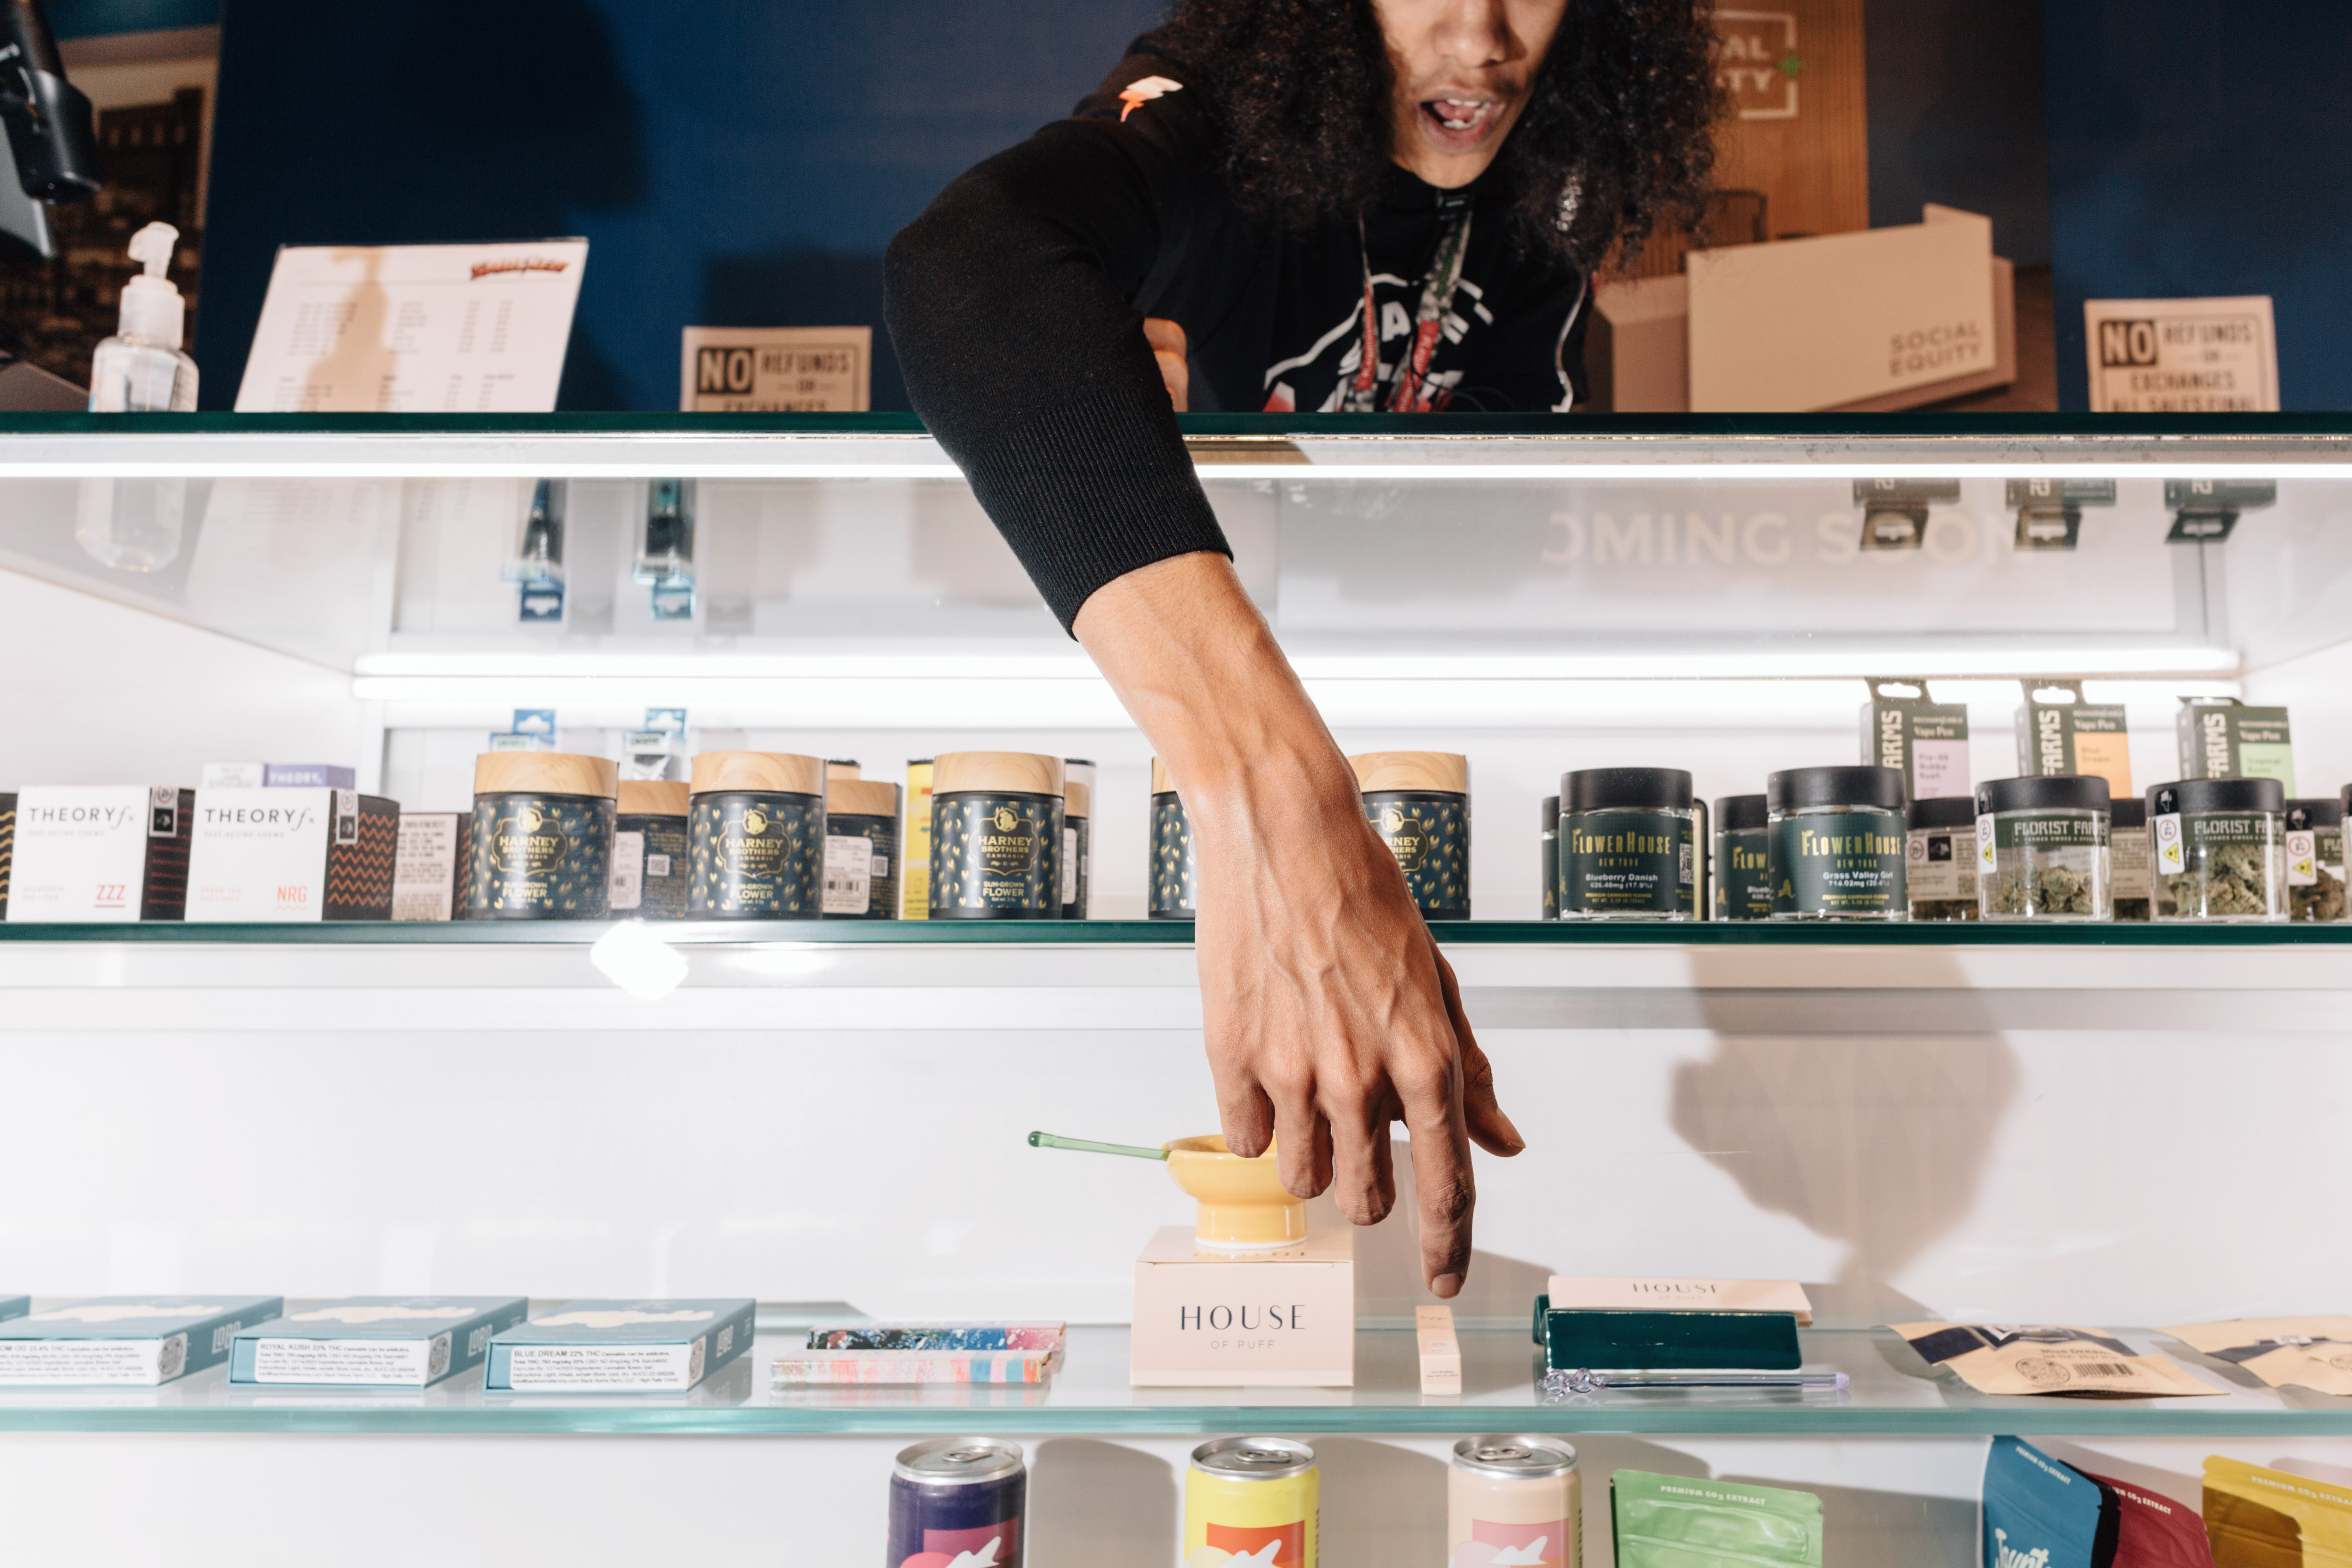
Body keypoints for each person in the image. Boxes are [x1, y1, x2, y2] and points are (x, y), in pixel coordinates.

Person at [885, 0, 1720, 1296]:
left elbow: (1503, 544)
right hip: (1221, 700)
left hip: (1447, 748)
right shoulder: (1219, 111)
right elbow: (970, 263)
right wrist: (1281, 810)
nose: (1484, 36)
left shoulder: (1564, 154)